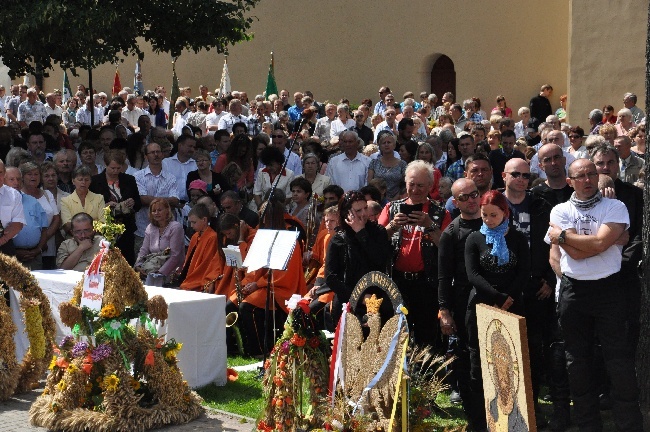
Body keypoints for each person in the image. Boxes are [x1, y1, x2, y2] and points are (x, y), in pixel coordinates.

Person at [546, 159, 643, 432]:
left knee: (618, 360)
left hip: (609, 289)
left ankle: (629, 425)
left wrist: (563, 237)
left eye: (592, 174)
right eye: (581, 176)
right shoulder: (560, 210)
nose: (588, 179)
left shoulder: (615, 206)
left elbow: (600, 242)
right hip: (574, 291)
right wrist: (599, 242)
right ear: (570, 181)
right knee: (577, 362)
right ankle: (588, 425)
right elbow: (579, 252)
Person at [465, 190, 530, 431]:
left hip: (513, 304)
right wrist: (497, 296)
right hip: (482, 303)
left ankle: (514, 417)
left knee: (512, 362)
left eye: (494, 215)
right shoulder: (474, 239)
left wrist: (508, 298)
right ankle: (481, 421)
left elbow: (524, 271)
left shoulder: (518, 239)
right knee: (480, 363)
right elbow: (473, 274)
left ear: (505, 213)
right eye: (484, 215)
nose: (489, 220)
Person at [379, 160, 452, 347]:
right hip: (397, 281)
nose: (416, 189)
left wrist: (429, 225)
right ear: (405, 183)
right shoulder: (392, 208)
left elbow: (447, 247)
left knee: (427, 338)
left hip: (427, 284)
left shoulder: (440, 213)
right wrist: (393, 226)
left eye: (421, 185)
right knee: (396, 337)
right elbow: (376, 242)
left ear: (430, 186)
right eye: (412, 184)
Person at [438, 178, 484, 429]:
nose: (471, 200)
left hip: (495, 301)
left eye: (474, 194)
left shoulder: (493, 222)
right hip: (464, 302)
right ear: (455, 202)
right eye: (464, 197)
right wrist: (444, 310)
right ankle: (476, 417)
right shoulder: (451, 233)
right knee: (470, 362)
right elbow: (444, 275)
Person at [239, 192, 307, 356]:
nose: (260, 221)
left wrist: (257, 284)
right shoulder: (264, 235)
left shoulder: (290, 239)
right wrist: (249, 284)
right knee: (242, 302)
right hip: (265, 285)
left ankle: (259, 351)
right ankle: (249, 349)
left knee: (247, 308)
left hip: (282, 290)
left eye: (264, 217)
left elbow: (283, 275)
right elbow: (255, 265)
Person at [325, 190, 391, 324]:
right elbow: (331, 277)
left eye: (365, 208)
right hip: (347, 303)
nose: (364, 214)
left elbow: (380, 260)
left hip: (376, 301)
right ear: (347, 214)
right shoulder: (338, 239)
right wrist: (360, 297)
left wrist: (361, 233)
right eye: (358, 210)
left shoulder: (378, 232)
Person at [89, 150, 141, 265]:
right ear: (105, 165)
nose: (115, 171)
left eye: (118, 168)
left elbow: (138, 203)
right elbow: (90, 207)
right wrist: (105, 206)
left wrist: (132, 203)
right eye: (112, 168)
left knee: (127, 263)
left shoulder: (129, 180)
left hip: (126, 229)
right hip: (105, 230)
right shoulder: (95, 181)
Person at [134, 142, 180, 256]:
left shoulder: (171, 177)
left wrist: (153, 201)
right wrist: (165, 202)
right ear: (146, 156)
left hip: (165, 231)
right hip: (142, 228)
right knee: (141, 266)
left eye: (158, 152)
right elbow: (142, 199)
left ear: (162, 154)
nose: (156, 155)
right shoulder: (137, 176)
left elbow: (175, 200)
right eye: (152, 152)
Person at [20, 161, 61, 270]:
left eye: (36, 174)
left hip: (49, 246)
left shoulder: (47, 194)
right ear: (22, 177)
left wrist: (43, 240)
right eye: (29, 174)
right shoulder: (18, 195)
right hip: (25, 249)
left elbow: (56, 218)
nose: (33, 177)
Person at [134, 198, 184, 283]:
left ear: (167, 210)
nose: (156, 213)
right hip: (151, 270)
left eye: (159, 210)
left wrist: (159, 273)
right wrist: (138, 266)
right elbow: (144, 250)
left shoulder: (176, 227)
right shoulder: (150, 227)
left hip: (171, 273)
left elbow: (175, 255)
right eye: (154, 211)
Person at [177, 204, 220, 291]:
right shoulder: (195, 236)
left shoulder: (212, 237)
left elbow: (206, 264)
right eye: (190, 222)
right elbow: (188, 260)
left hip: (199, 279)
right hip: (189, 276)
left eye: (194, 222)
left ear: (204, 220)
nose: (191, 226)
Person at [61, 166, 106, 235]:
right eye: (80, 179)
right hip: (74, 239)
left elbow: (103, 222)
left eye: (87, 179)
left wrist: (87, 234)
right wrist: (93, 223)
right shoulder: (65, 201)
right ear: (73, 181)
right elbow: (67, 225)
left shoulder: (99, 198)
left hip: (96, 237)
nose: (83, 182)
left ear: (90, 181)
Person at [367, 133, 407, 200]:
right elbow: (370, 183)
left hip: (397, 200)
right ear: (380, 146)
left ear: (394, 145)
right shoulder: (374, 163)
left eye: (389, 142)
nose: (386, 144)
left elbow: (405, 184)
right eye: (383, 143)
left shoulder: (402, 164)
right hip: (378, 199)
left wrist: (396, 198)